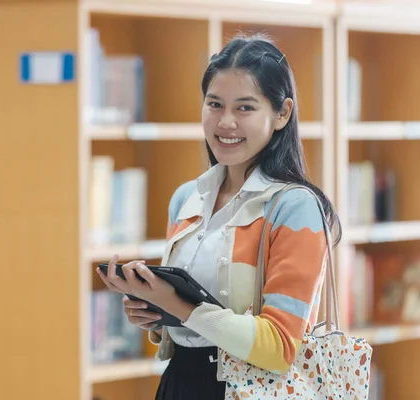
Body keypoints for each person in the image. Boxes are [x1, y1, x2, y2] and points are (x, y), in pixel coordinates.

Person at [96, 33, 341, 400]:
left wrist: (177, 304)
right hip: (179, 383)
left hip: (251, 389)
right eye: (215, 104)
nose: (225, 122)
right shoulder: (186, 199)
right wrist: (156, 314)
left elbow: (279, 348)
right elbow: (192, 324)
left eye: (245, 107)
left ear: (282, 113)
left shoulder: (295, 207)